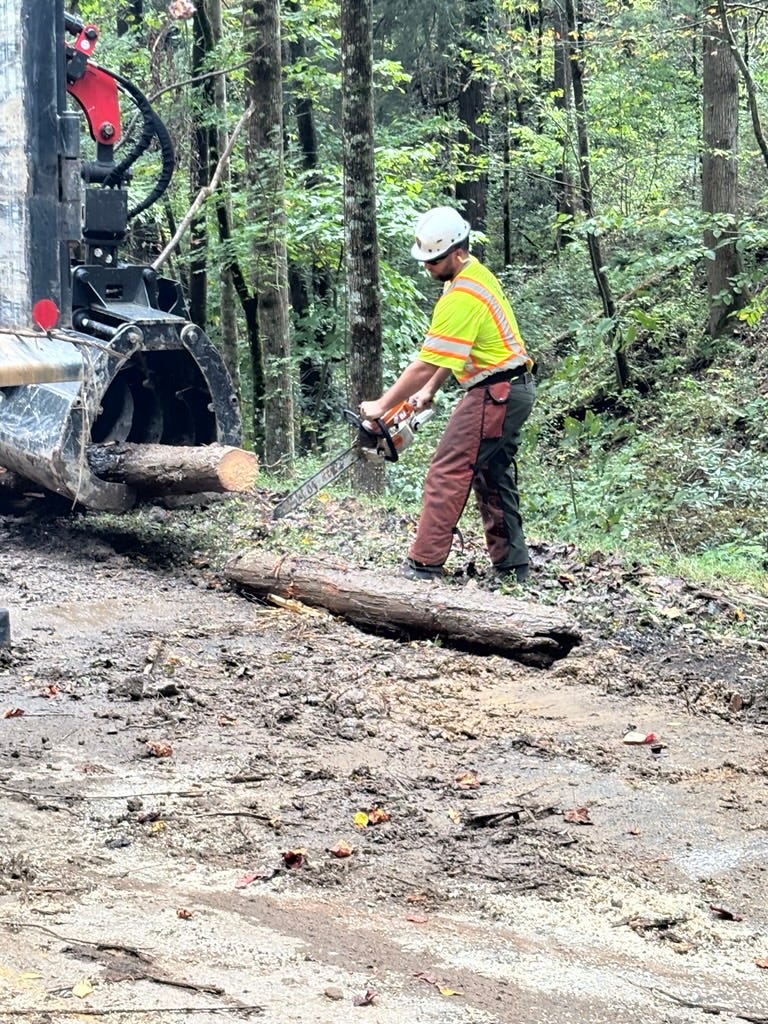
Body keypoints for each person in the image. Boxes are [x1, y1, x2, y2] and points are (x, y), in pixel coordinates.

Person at [359, 206, 536, 583]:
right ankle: (514, 567)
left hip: (497, 391)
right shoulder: (471, 276)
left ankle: (423, 565)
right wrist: (428, 391)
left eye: (434, 260)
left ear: (457, 252)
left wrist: (381, 406)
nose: (428, 267)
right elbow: (452, 351)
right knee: (490, 472)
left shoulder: (463, 295)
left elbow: (424, 362)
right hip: (509, 388)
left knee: (447, 470)